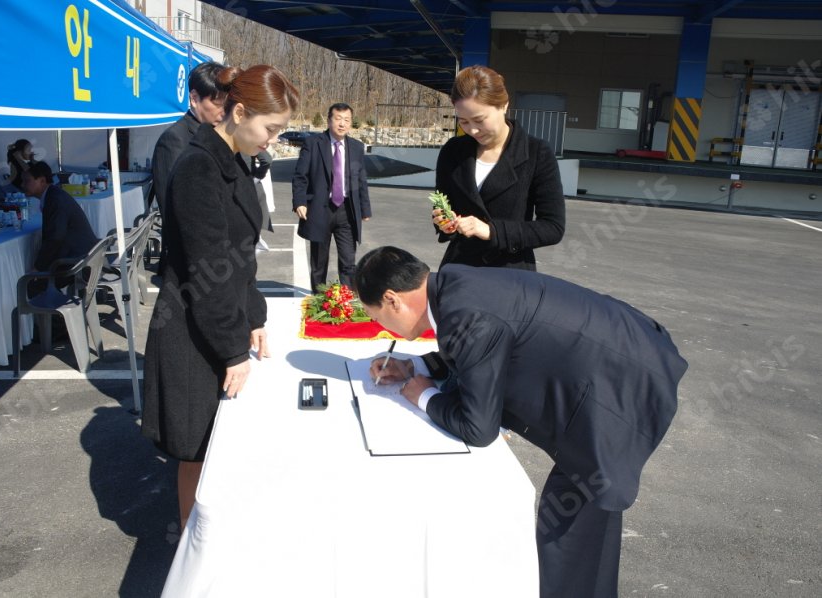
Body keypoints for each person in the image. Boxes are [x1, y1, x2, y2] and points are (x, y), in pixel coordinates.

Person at [356, 246, 688, 598]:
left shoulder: (465, 313)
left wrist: (423, 395)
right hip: (621, 355)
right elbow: (479, 347)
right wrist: (419, 367)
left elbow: (478, 428)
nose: (380, 326)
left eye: (375, 316)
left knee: (568, 527)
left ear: (392, 299)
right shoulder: (454, 286)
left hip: (620, 388)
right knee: (581, 528)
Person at [142, 65, 299, 530]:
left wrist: (253, 317)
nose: (272, 140)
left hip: (220, 317)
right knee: (197, 445)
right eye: (270, 129)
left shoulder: (231, 161)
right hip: (193, 326)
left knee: (217, 440)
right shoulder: (196, 166)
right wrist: (232, 349)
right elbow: (205, 268)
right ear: (240, 111)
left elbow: (241, 257)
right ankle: (194, 544)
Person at [432, 66, 564, 271]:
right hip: (460, 269)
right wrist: (444, 222)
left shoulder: (537, 153)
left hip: (511, 272)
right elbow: (443, 204)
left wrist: (492, 231)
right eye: (464, 122)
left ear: (503, 105)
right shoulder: (453, 151)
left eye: (479, 120)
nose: (472, 130)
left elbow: (553, 227)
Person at [292, 102, 371, 290]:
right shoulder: (313, 144)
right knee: (319, 263)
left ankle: (346, 299)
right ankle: (319, 299)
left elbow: (361, 180)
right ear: (328, 120)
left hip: (346, 210)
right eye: (338, 119)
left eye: (346, 120)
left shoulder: (356, 147)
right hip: (320, 209)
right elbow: (300, 176)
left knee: (348, 262)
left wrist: (365, 208)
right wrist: (300, 202)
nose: (342, 124)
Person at [151, 61, 228, 218]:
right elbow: (173, 206)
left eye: (227, 104)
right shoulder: (173, 140)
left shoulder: (220, 133)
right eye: (217, 103)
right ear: (194, 98)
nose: (224, 112)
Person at [22, 161, 98, 272]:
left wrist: (38, 267)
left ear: (42, 181)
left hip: (77, 262)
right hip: (81, 256)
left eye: (27, 181)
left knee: (31, 285)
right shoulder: (54, 195)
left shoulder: (55, 200)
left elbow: (55, 238)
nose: (22, 185)